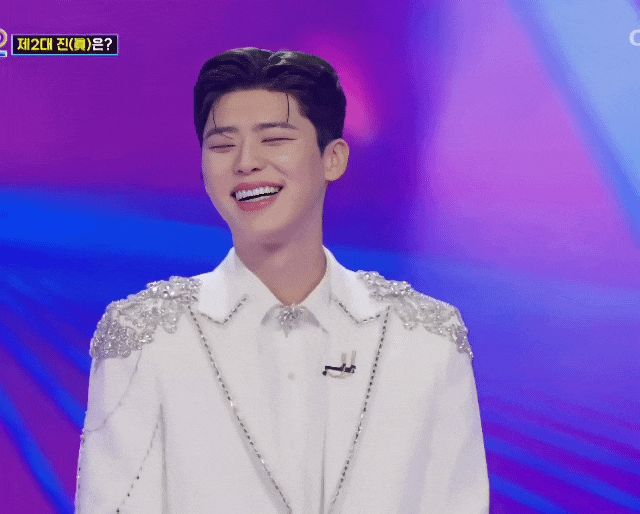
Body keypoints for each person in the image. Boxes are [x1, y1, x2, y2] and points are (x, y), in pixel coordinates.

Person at [74, 47, 489, 514]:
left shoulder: (426, 338)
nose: (246, 162)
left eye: (273, 139)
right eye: (222, 145)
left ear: (333, 158)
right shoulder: (144, 337)